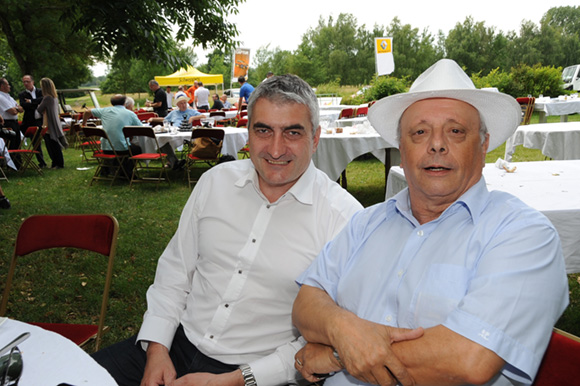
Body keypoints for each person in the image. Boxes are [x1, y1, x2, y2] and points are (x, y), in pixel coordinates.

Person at [292, 59, 569, 386]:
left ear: (482, 146)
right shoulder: (365, 223)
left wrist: (336, 356)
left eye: (455, 131)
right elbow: (307, 301)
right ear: (401, 148)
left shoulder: (523, 234)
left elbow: (469, 359)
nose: (437, 144)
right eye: (420, 132)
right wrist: (342, 329)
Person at [92, 74, 363, 386]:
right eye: (263, 130)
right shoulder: (215, 183)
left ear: (315, 138)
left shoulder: (343, 219)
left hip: (260, 373)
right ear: (247, 132)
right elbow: (175, 271)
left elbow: (327, 339)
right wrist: (156, 348)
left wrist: (236, 380)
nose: (276, 149)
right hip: (175, 344)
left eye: (292, 132)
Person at [83, 94, 142, 176]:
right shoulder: (130, 113)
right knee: (137, 149)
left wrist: (84, 124)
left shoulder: (104, 111)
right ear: (125, 102)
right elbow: (141, 128)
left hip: (105, 147)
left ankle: (108, 170)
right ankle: (125, 172)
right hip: (121, 148)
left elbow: (87, 112)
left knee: (124, 146)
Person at [36, 78, 68, 169]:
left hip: (49, 124)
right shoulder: (54, 97)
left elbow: (39, 109)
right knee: (54, 144)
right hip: (54, 122)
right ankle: (56, 163)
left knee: (52, 145)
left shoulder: (47, 98)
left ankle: (58, 163)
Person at [19, 75, 47, 168]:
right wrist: (36, 103)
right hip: (30, 121)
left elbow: (43, 100)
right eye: (24, 82)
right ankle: (42, 162)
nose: (26, 83)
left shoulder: (40, 91)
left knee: (47, 139)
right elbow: (24, 106)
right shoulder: (22, 94)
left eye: (27, 81)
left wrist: (31, 101)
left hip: (42, 119)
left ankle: (55, 161)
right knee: (35, 142)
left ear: (32, 82)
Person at [0, 78, 24, 168]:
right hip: (8, 123)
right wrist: (16, 108)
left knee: (17, 143)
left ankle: (18, 164)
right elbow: (12, 111)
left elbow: (21, 109)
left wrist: (16, 108)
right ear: (2, 86)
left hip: (15, 122)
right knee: (12, 144)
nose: (9, 86)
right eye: (7, 84)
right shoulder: (1, 97)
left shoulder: (9, 97)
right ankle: (12, 165)